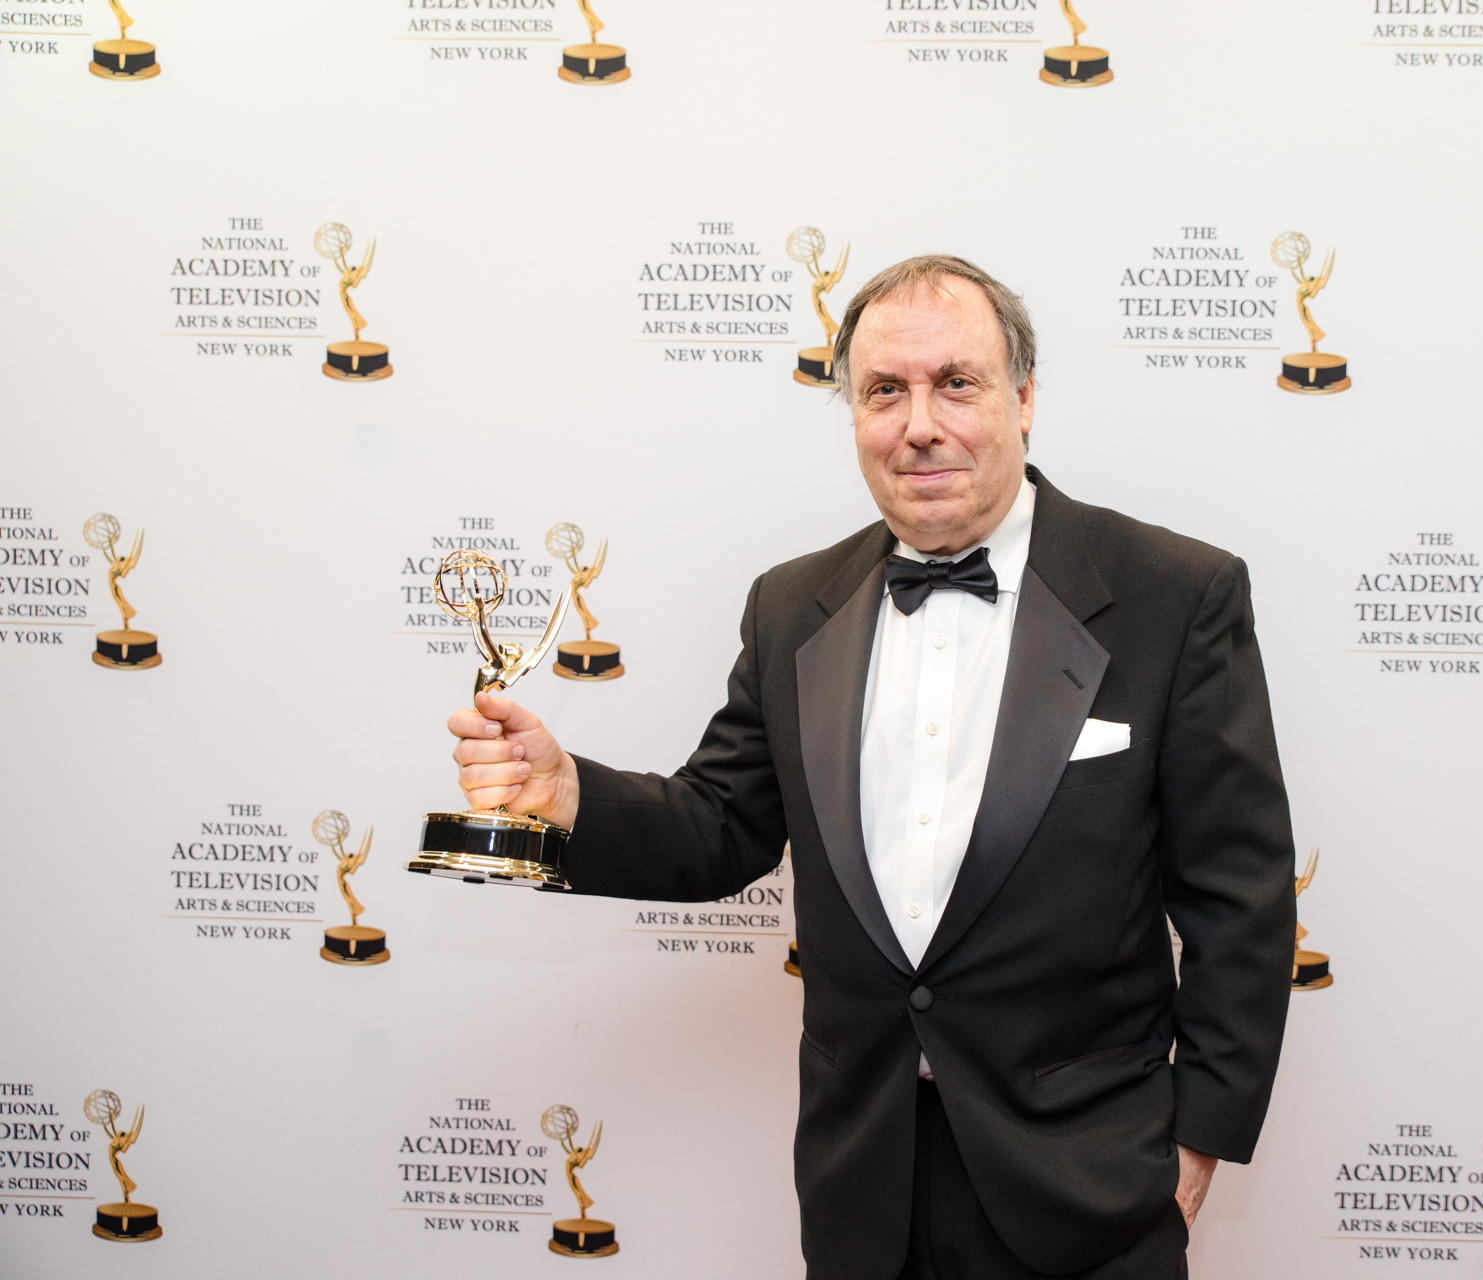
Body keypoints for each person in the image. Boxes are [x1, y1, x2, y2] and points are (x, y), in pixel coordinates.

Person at [448, 255, 1296, 1279]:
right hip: (864, 1183)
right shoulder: (790, 605)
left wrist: (1198, 1142)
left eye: (957, 383)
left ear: (1024, 398)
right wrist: (568, 794)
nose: (919, 424)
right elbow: (722, 824)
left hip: (1089, 1181)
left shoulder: (1174, 593)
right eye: (885, 390)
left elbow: (1239, 898)